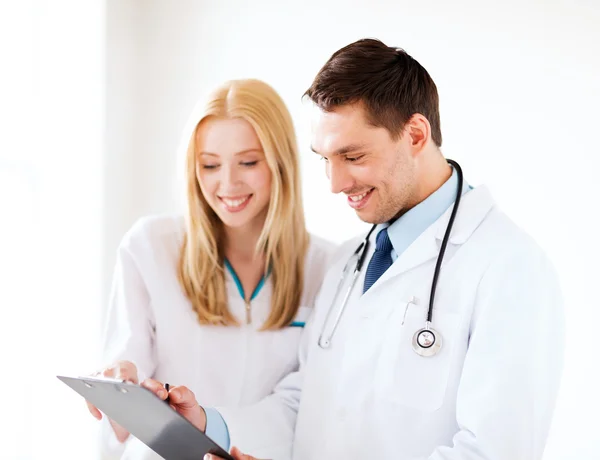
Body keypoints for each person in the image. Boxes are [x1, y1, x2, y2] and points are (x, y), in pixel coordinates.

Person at [142, 39, 565, 460]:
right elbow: (303, 406)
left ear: (416, 134)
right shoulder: (349, 262)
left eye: (353, 156)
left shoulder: (509, 267)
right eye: (325, 159)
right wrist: (208, 425)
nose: (335, 183)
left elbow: (493, 451)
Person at [86, 78, 335, 459]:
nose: (228, 183)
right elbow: (125, 371)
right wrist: (119, 390)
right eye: (210, 165)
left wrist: (213, 425)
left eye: (248, 162)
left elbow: (304, 407)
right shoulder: (150, 246)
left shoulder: (327, 266)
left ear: (280, 162)